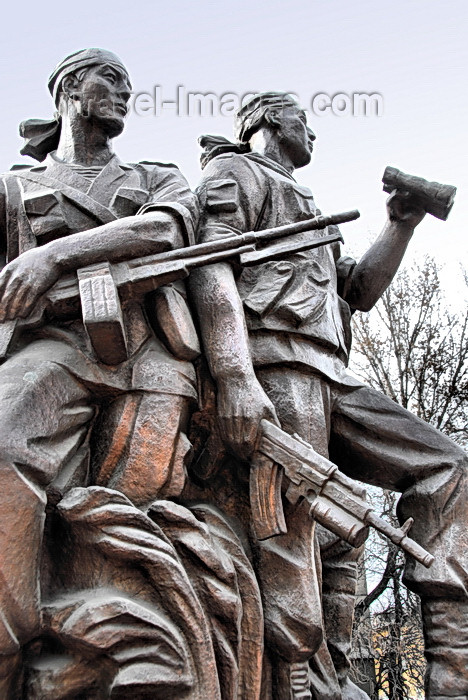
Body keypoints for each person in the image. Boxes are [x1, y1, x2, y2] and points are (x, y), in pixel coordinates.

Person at [191, 92, 468, 700]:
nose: (312, 131)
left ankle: (452, 669)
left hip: (333, 375)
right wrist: (235, 375)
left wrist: (401, 223)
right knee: (292, 521)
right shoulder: (232, 172)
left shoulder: (308, 200)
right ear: (266, 119)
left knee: (448, 467)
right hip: (277, 364)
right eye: (303, 118)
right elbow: (210, 267)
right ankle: (297, 680)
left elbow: (359, 290)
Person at [0, 48, 199, 697]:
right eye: (108, 79)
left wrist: (53, 253)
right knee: (6, 441)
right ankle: (16, 639)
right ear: (66, 88)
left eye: (128, 84)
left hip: (149, 355)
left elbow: (167, 231)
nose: (123, 92)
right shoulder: (14, 188)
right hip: (51, 347)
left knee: (128, 520)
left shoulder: (154, 176)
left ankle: (129, 653)